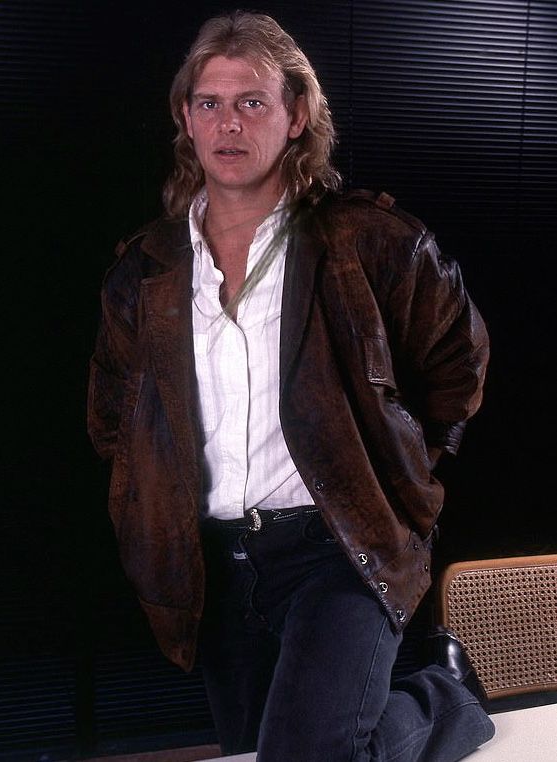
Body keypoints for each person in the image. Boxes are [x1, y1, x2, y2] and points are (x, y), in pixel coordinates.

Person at [88, 10, 494, 762]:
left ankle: (442, 698)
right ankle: (438, 693)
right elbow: (114, 413)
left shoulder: (371, 242)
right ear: (185, 116)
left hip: (337, 544)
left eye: (252, 102)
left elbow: (454, 366)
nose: (228, 124)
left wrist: (393, 474)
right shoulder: (147, 269)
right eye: (209, 102)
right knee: (256, 754)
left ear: (296, 115)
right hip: (213, 562)